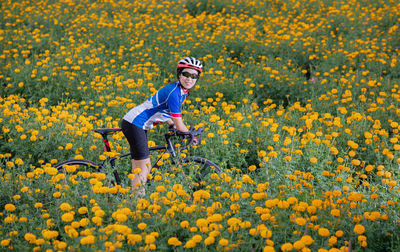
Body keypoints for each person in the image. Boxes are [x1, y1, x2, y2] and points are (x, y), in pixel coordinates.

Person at [121, 56, 203, 196]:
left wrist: (171, 124)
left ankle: (133, 199)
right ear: (179, 74)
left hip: (136, 123)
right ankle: (135, 202)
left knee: (140, 168)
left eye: (193, 76)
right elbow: (179, 123)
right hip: (135, 123)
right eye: (186, 74)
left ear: (197, 79)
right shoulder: (174, 92)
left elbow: (165, 111)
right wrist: (190, 134)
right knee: (144, 168)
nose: (189, 79)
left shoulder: (182, 91)